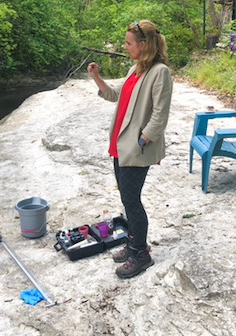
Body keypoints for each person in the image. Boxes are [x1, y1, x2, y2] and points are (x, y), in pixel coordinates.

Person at [87, 20, 173, 279]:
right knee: (127, 198)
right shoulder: (135, 70)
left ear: (143, 45)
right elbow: (116, 96)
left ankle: (141, 254)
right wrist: (96, 78)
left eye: (128, 43)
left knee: (132, 201)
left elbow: (160, 113)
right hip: (120, 145)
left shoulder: (160, 72)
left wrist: (144, 139)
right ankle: (135, 242)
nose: (125, 47)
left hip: (136, 147)